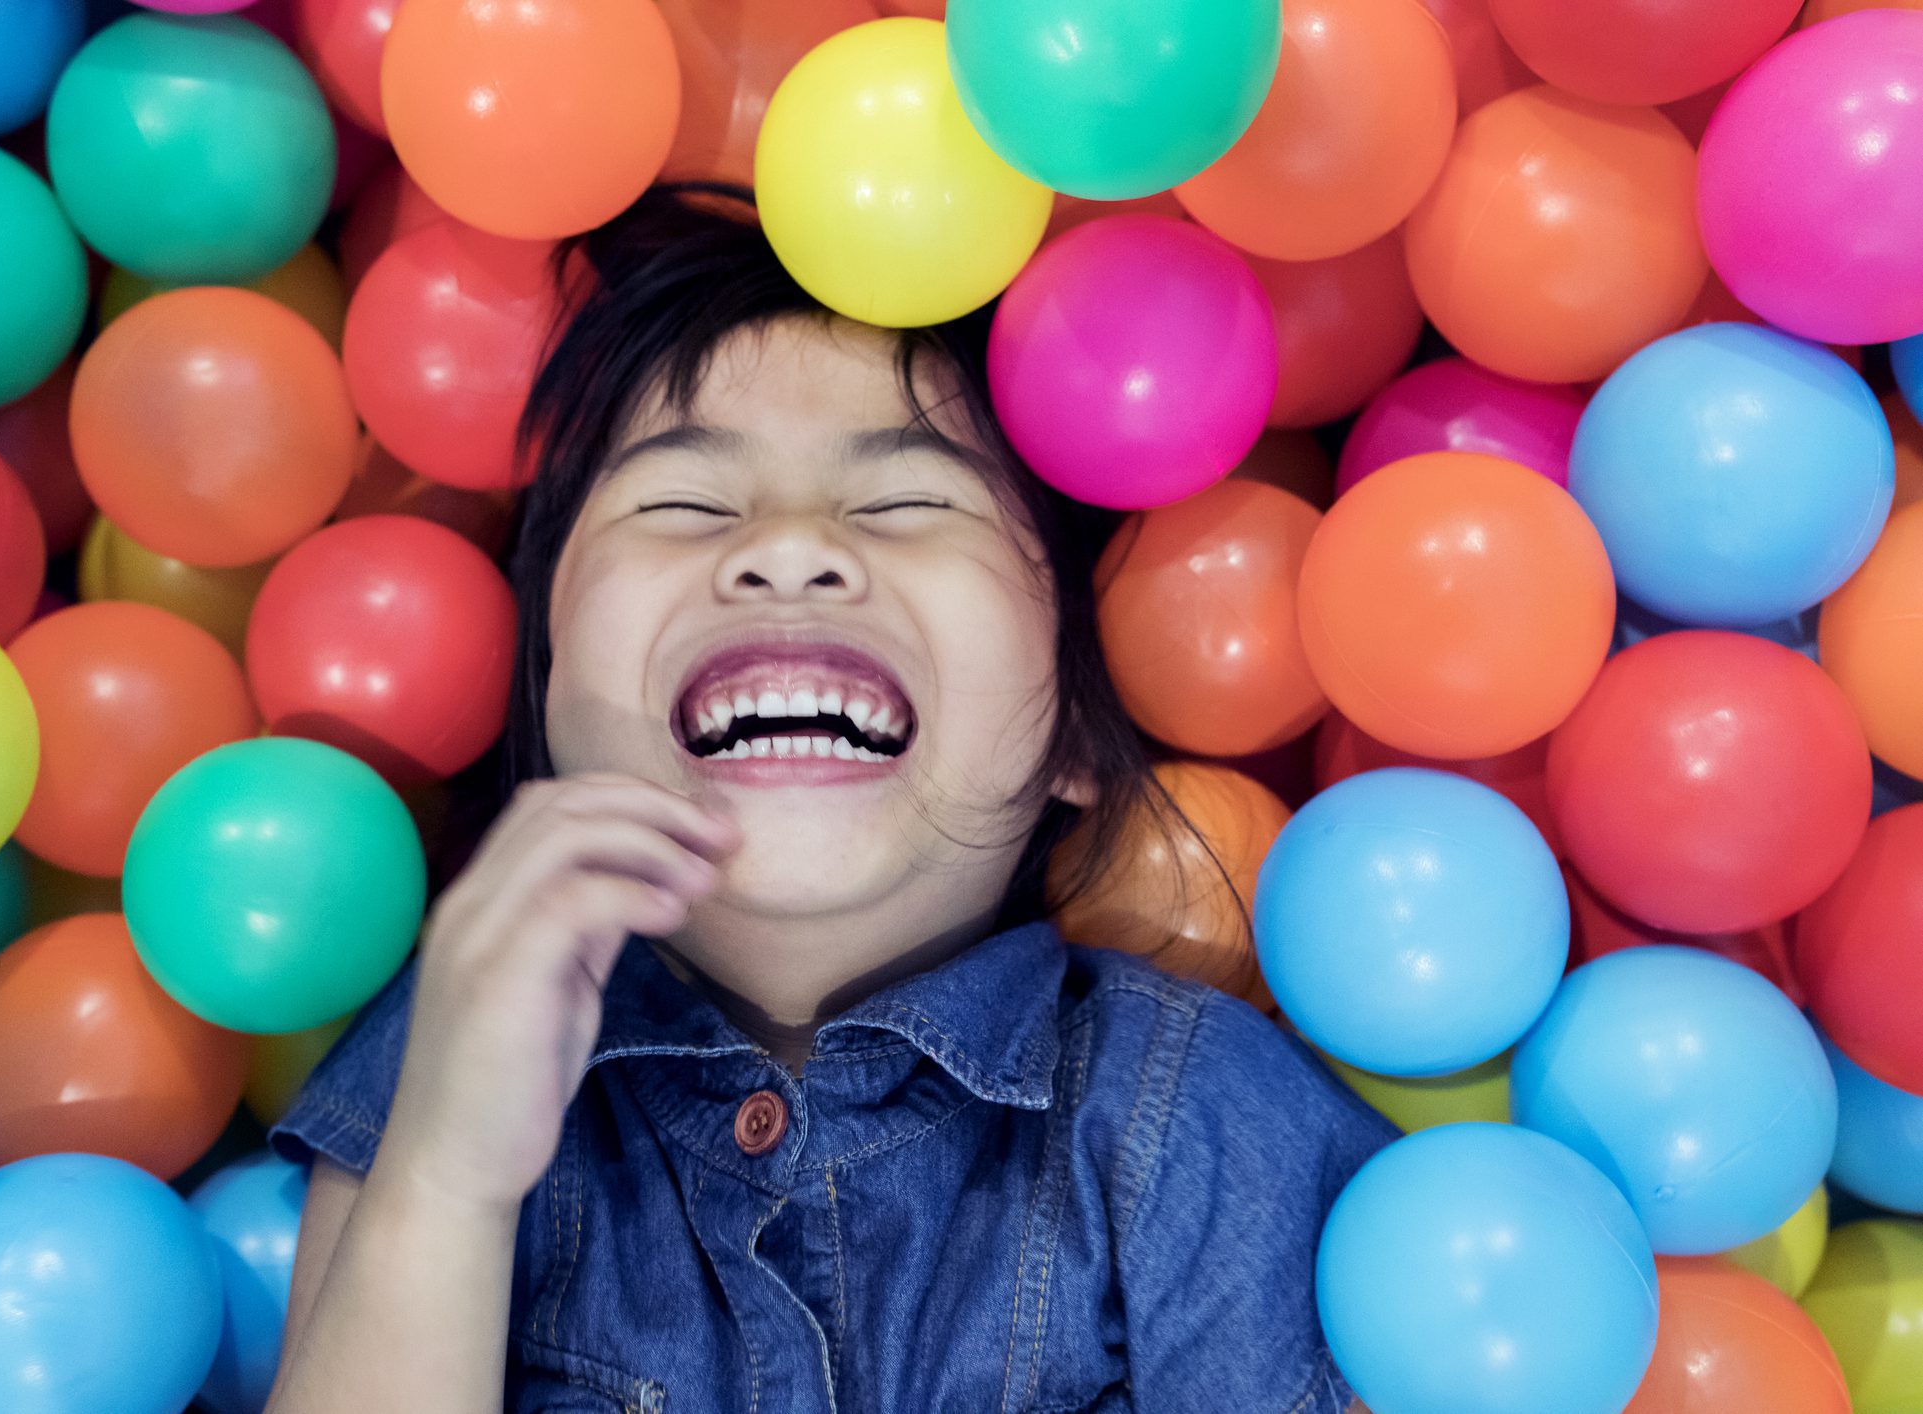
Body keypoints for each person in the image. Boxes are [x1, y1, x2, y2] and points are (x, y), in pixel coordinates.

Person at [263, 186, 1396, 1414]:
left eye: (905, 502)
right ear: (545, 702)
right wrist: (445, 1181)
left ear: (1073, 724)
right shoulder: (447, 1052)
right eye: (683, 503)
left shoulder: (1195, 1119)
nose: (789, 547)